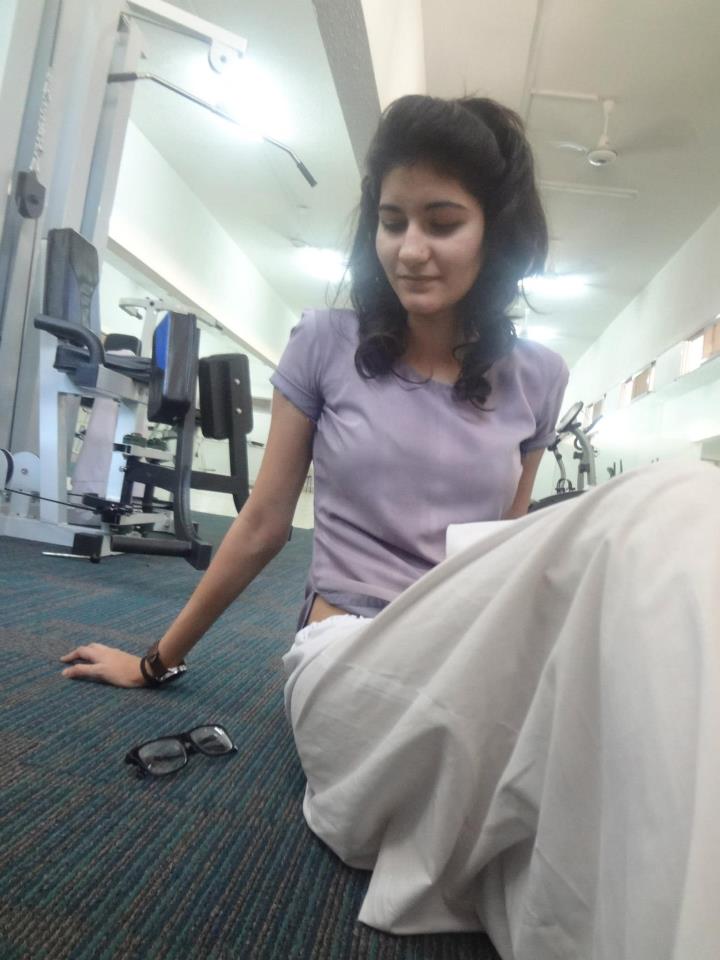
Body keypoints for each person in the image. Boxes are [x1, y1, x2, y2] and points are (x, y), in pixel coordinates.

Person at [60, 96, 720, 960]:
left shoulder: (538, 377)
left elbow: (508, 552)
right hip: (348, 651)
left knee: (686, 516)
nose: (410, 248)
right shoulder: (324, 343)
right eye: (393, 220)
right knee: (677, 503)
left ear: (494, 235)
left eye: (442, 222)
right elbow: (262, 525)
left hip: (474, 647)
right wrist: (155, 662)